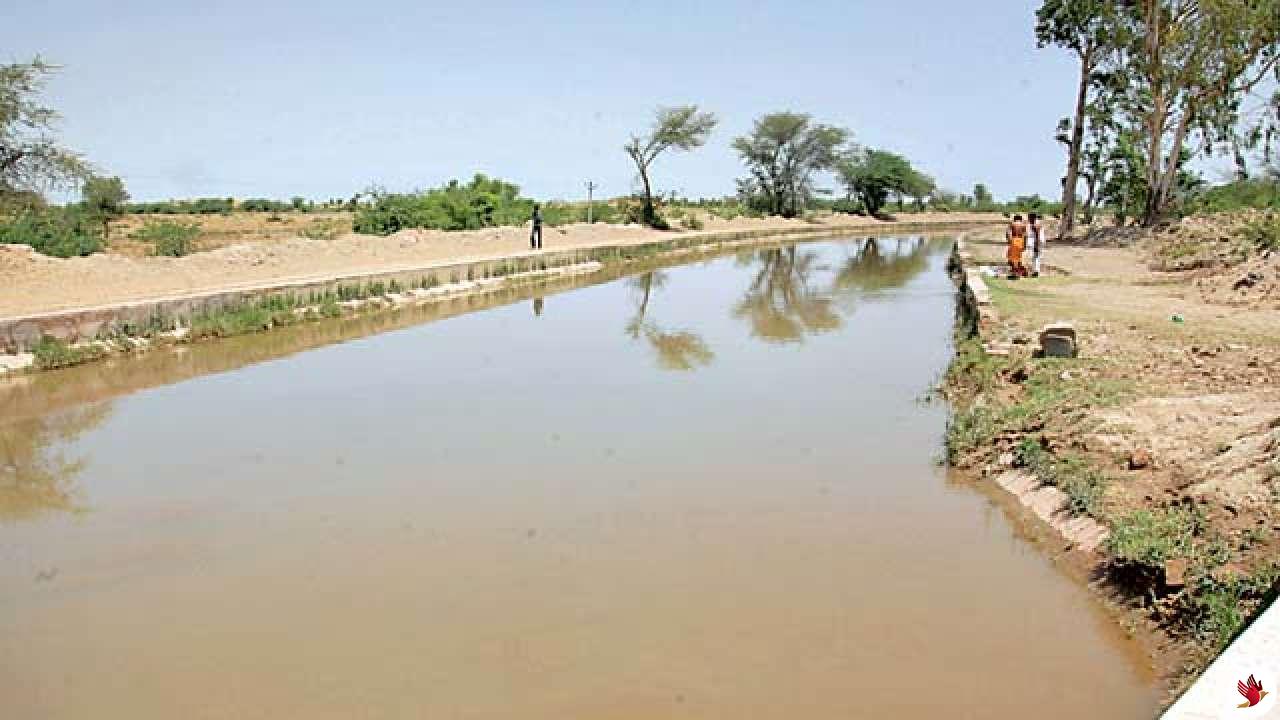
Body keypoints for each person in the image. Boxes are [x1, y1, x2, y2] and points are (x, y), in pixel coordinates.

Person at [1006, 214, 1028, 279]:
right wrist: (1025, 244)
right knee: (1019, 257)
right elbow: (1025, 235)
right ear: (1020, 219)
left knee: (1014, 258)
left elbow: (1008, 234)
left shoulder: (1012, 224)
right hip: (1021, 240)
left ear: (1015, 218)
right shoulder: (1023, 225)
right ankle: (1023, 272)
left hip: (1014, 240)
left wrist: (1010, 241)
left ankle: (1016, 275)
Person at [1027, 212, 1044, 277]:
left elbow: (1037, 236)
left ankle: (1036, 271)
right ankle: (1035, 270)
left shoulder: (1035, 225)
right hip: (1036, 242)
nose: (1028, 219)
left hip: (1036, 242)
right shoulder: (1034, 223)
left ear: (1032, 218)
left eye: (1029, 217)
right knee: (1035, 257)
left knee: (1036, 256)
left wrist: (1036, 245)